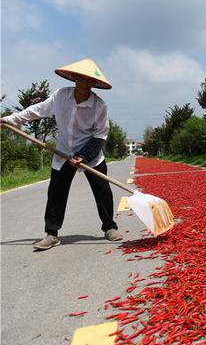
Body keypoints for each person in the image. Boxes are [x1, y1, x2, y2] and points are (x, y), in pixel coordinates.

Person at [1, 59, 123, 250]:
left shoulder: (99, 106)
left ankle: (109, 227)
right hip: (63, 152)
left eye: (88, 80)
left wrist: (82, 156)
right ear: (74, 78)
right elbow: (37, 110)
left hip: (91, 154)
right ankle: (51, 233)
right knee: (56, 193)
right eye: (80, 78)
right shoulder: (60, 96)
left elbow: (100, 135)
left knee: (103, 190)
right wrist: (9, 119)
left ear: (93, 83)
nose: (84, 83)